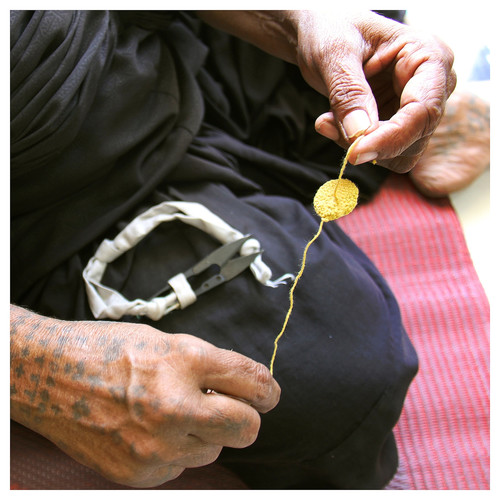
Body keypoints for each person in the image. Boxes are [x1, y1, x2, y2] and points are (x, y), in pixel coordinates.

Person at [11, 10, 471, 489]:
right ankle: (306, 140)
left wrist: (296, 22)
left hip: (148, 45)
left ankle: (359, 121)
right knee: (327, 387)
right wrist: (34, 368)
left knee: (371, 43)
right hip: (60, 202)